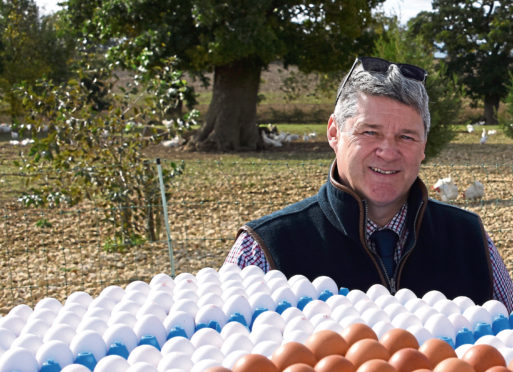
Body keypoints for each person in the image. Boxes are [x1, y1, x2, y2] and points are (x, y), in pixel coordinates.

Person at [225, 56, 513, 312]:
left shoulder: (472, 241)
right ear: (334, 133)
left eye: (406, 137)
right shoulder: (263, 251)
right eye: (370, 132)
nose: (388, 152)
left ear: (424, 146)